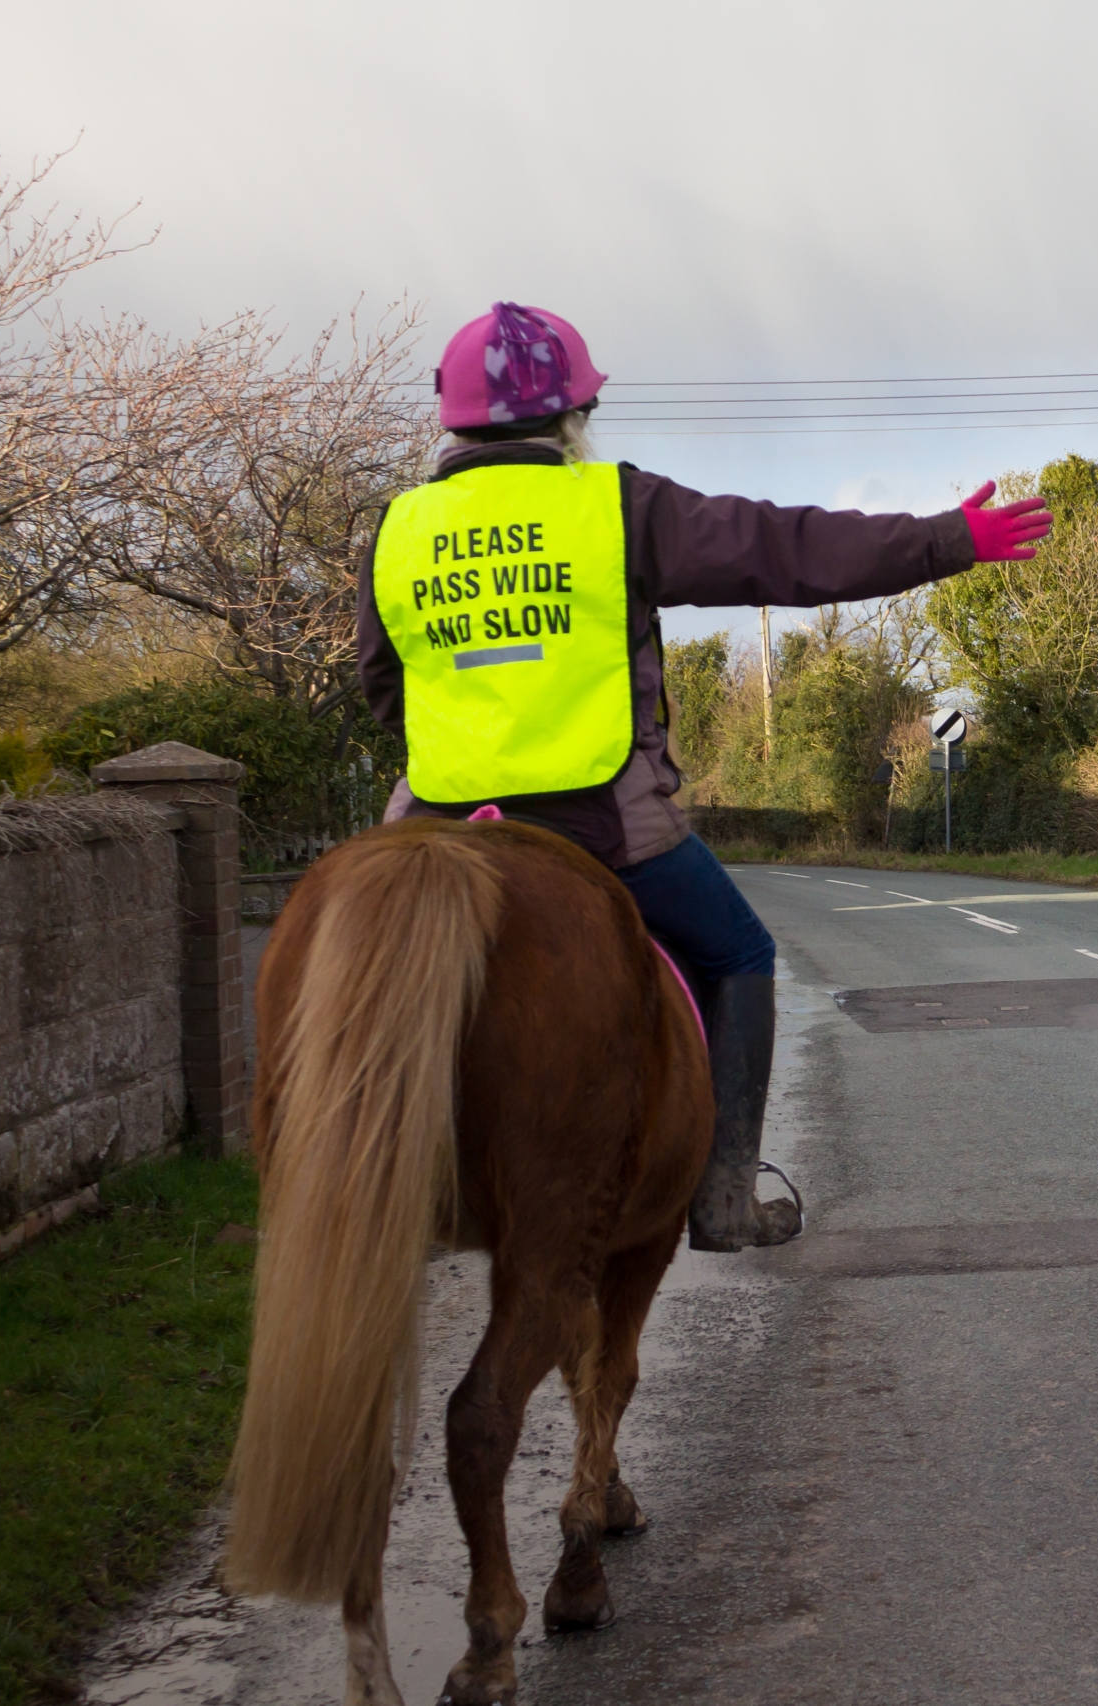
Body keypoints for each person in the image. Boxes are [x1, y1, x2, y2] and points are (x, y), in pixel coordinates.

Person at [356, 302, 1050, 1251]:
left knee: (346, 973)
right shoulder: (616, 506)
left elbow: (380, 687)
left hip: (435, 824)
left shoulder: (398, 530)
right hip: (601, 823)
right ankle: (724, 1198)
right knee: (738, 954)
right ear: (571, 419)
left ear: (455, 419)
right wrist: (948, 539)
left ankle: (358, 1187)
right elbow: (784, 549)